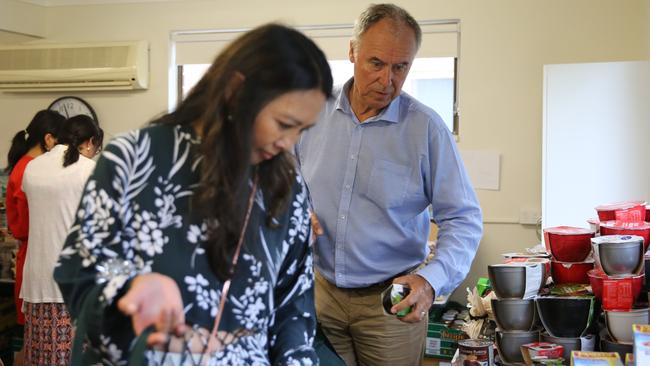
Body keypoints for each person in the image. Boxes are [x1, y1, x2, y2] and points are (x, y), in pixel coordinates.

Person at [54, 23, 332, 365]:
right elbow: (78, 270)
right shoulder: (133, 158)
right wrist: (130, 289)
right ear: (236, 90)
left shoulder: (286, 188)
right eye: (284, 124)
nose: (288, 143)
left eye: (302, 130)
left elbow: (294, 309)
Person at [295, 4, 483, 365]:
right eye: (376, 63)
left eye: (401, 67)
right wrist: (296, 213)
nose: (387, 80)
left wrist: (430, 281)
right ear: (352, 51)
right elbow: (280, 186)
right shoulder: (310, 114)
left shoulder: (426, 130)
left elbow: (463, 218)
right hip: (320, 296)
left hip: (392, 302)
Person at [21, 114, 103, 365]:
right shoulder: (89, 170)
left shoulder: (31, 167)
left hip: (38, 279)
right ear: (89, 143)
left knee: (41, 357)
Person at [4, 110, 65, 357]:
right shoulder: (30, 170)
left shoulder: (25, 167)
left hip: (33, 257)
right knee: (34, 344)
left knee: (32, 343)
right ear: (49, 140)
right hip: (33, 258)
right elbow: (29, 224)